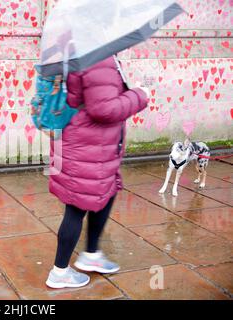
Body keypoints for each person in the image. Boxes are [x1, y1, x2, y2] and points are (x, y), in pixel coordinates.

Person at [46, 55, 150, 289]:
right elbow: (102, 108)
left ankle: (91, 254)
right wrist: (139, 95)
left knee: (107, 191)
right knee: (76, 206)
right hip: (87, 145)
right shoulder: (97, 55)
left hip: (90, 143)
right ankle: (59, 271)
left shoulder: (83, 49)